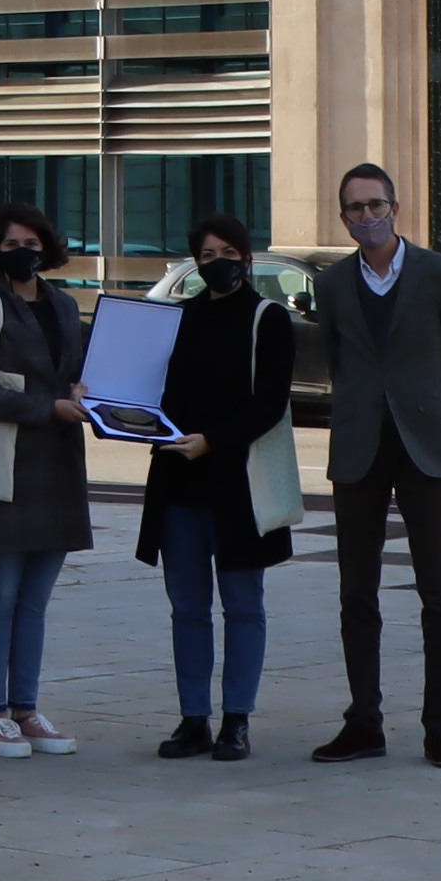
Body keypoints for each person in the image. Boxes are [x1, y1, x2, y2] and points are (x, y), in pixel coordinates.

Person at [310, 159, 441, 769]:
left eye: (376, 205)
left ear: (395, 209)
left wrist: (428, 410)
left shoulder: (440, 273)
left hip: (427, 448)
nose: (367, 216)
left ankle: (440, 727)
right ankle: (364, 723)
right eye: (355, 208)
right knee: (357, 592)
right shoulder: (331, 285)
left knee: (439, 592)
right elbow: (338, 360)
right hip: (358, 451)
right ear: (345, 218)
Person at [135, 207, 302, 764]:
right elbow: (155, 391)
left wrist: (213, 441)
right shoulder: (180, 318)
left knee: (242, 605)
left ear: (246, 258)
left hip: (238, 486)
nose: (219, 264)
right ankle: (192, 720)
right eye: (207, 256)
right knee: (187, 605)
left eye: (228, 254)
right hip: (180, 482)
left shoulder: (268, 319)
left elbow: (270, 405)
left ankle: (237, 720)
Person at [0, 196, 94, 758]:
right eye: (11, 245)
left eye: (32, 244)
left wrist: (83, 393)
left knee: (35, 600)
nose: (23, 253)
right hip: (5, 465)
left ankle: (27, 708)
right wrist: (45, 405)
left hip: (57, 466)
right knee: (0, 594)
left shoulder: (61, 303)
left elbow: (77, 374)